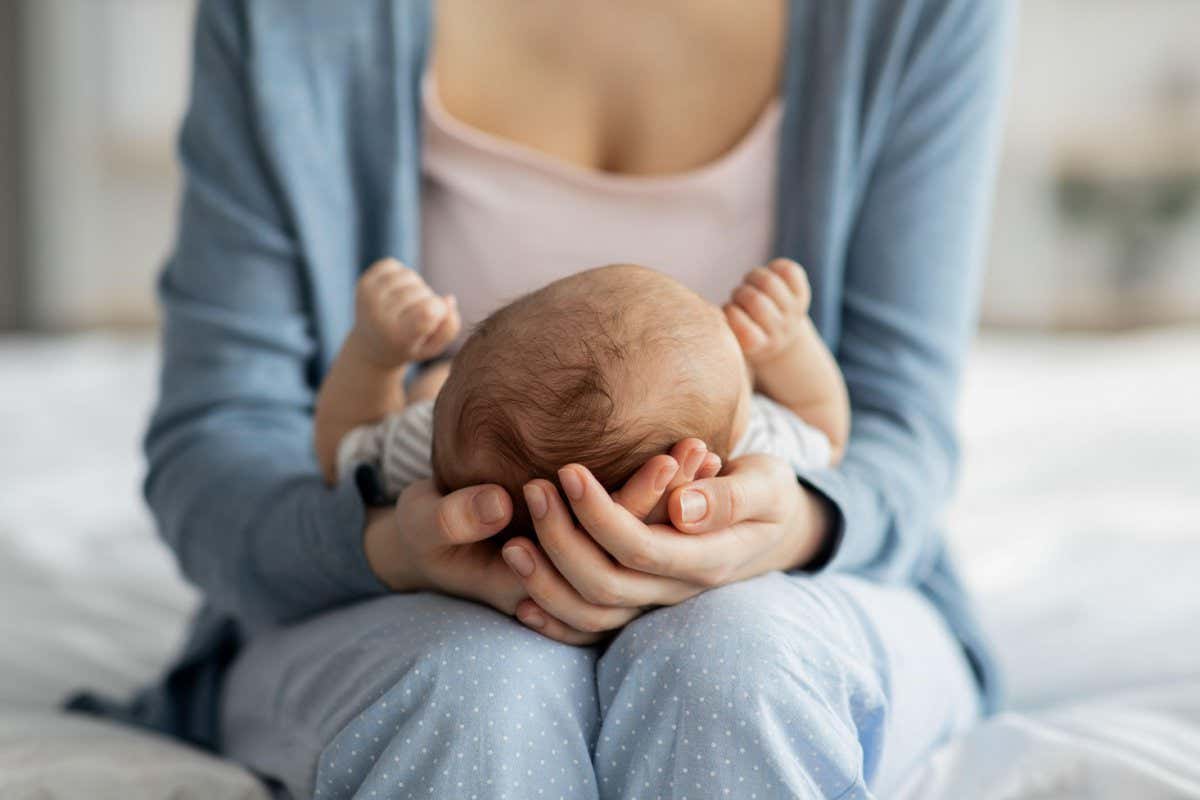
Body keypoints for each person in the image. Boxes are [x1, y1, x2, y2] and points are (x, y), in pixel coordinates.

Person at [91, 1, 1012, 797]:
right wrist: (392, 547)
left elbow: (890, 435)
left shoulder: (908, 17)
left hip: (798, 588)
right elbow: (232, 446)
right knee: (473, 687)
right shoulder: (295, 19)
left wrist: (791, 526)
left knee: (738, 665)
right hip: (403, 599)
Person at [313, 261, 848, 533]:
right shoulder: (749, 455)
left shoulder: (432, 453)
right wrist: (787, 347)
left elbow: (341, 453)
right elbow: (826, 432)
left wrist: (376, 355)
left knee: (428, 389)